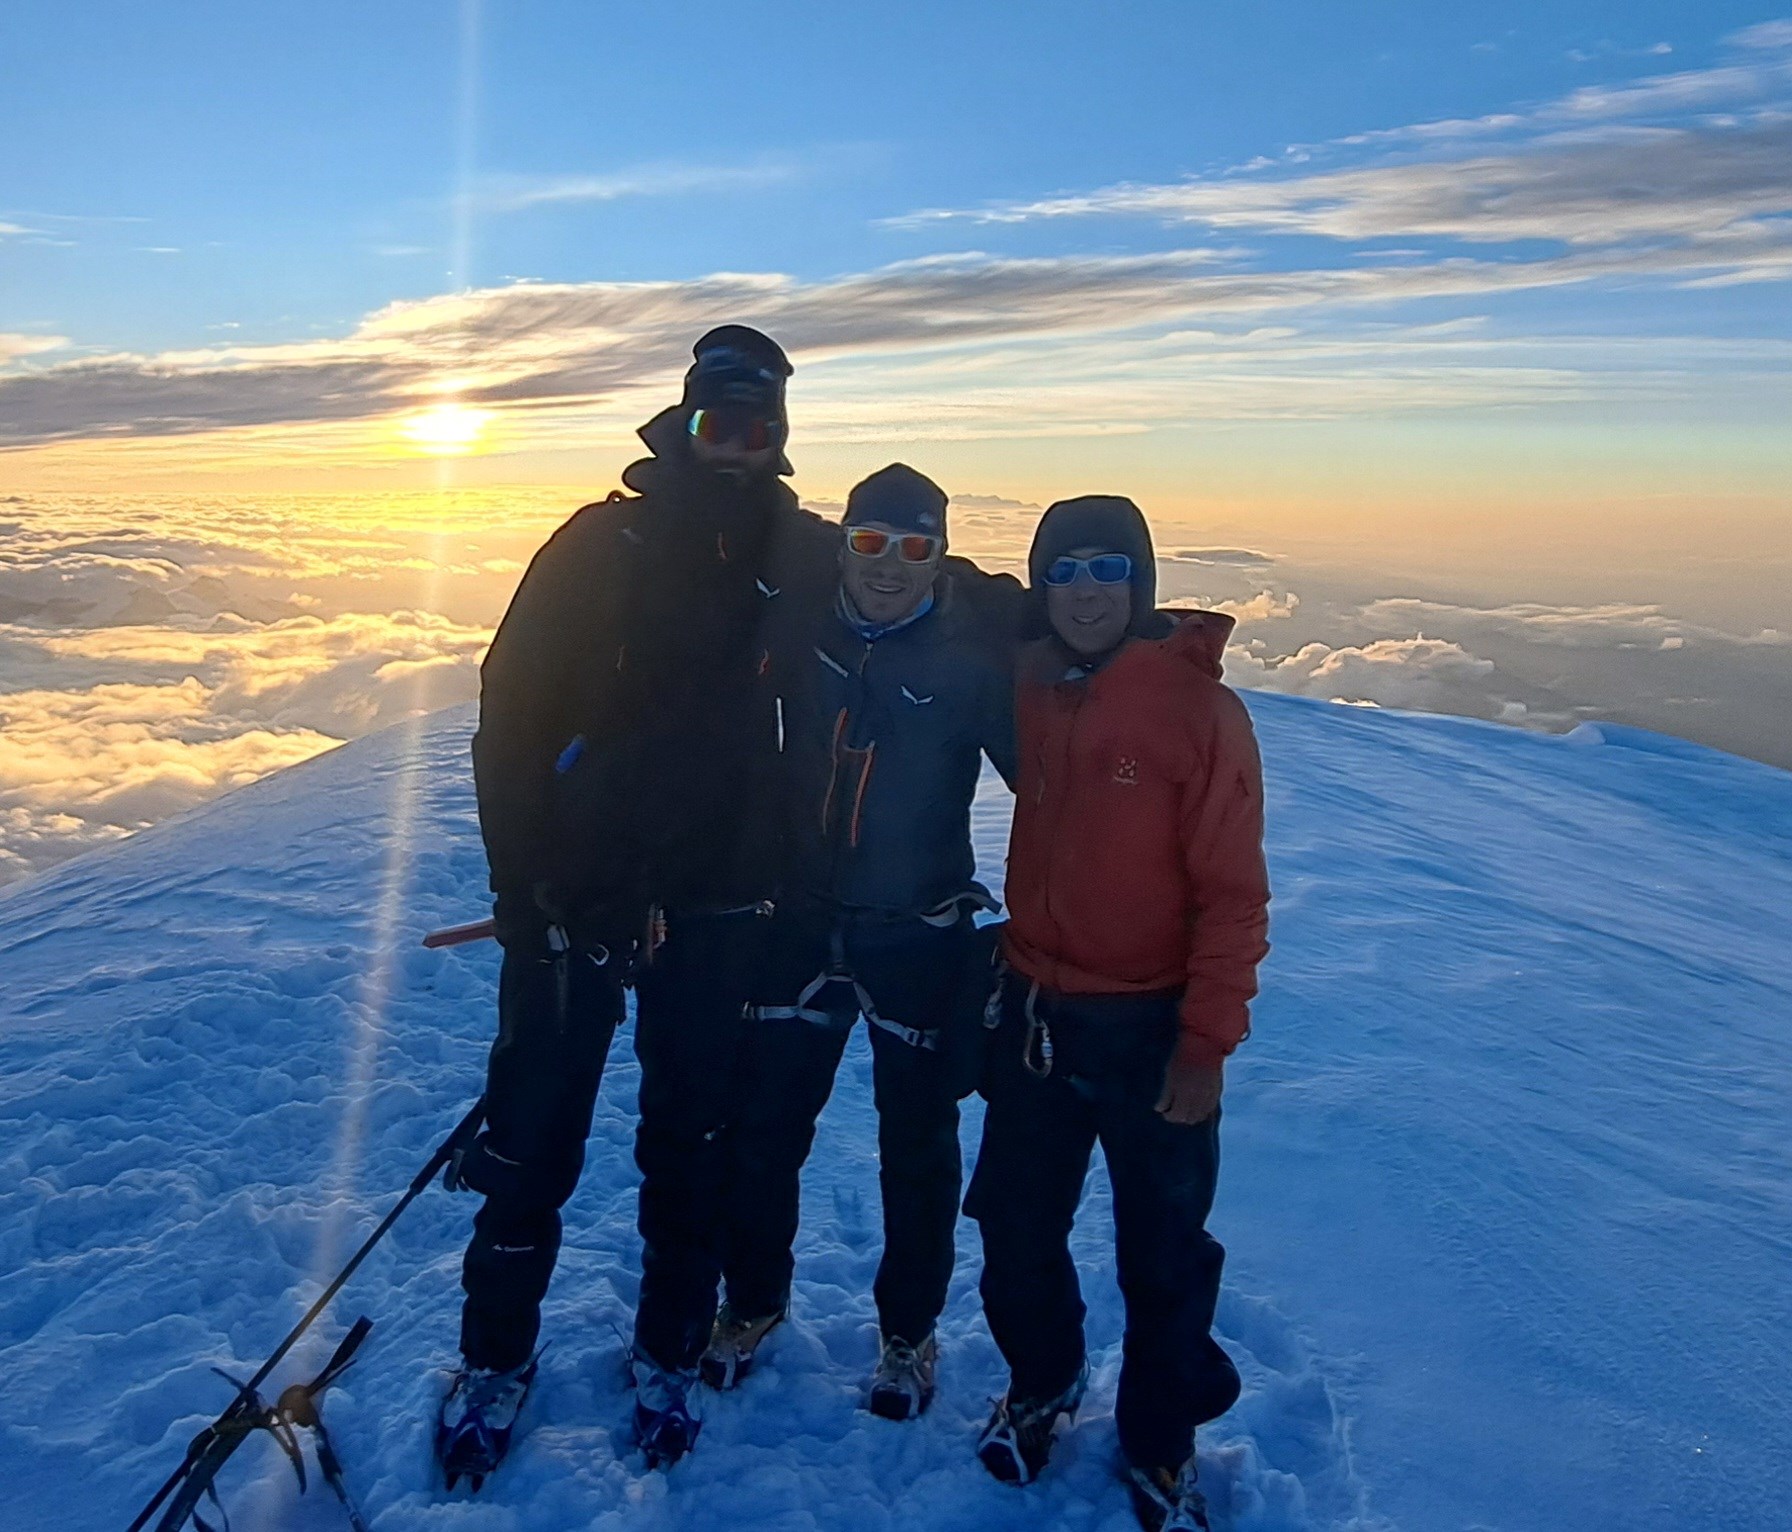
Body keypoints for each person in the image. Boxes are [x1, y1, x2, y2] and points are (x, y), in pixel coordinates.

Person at [437, 325, 839, 1485]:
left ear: (777, 440)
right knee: (533, 1142)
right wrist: (524, 887)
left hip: (722, 902)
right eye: (719, 422)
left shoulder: (799, 556)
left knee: (691, 1143)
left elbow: (922, 588)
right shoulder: (595, 544)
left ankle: (668, 1344)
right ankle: (494, 1356)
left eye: (758, 428)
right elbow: (507, 712)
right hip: (577, 897)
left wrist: (1104, 629)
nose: (737, 446)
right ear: (684, 421)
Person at [965, 496, 1270, 1532]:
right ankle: (1044, 1379)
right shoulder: (1035, 675)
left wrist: (1205, 1043)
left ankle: (1159, 1442)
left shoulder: (1196, 711)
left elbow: (1234, 894)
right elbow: (954, 595)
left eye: (1107, 568)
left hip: (1153, 1026)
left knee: (1165, 1254)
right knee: (1014, 1228)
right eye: (1065, 569)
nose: (1085, 588)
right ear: (1042, 583)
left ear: (1137, 582)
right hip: (1037, 1014)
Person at [698, 464, 1021, 1422]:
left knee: (917, 1148)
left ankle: (908, 1334)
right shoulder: (800, 624)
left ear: (941, 557)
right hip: (798, 918)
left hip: (917, 932)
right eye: (872, 542)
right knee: (765, 1131)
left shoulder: (974, 657)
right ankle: (752, 1303)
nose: (889, 565)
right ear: (843, 543)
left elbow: (1048, 788)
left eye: (915, 547)